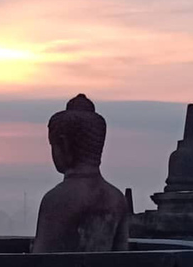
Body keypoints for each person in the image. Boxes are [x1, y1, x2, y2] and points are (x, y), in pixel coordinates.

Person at [32, 94, 129, 253]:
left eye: (53, 145)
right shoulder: (117, 198)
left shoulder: (57, 199)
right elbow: (122, 256)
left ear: (64, 145)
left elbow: (42, 261)